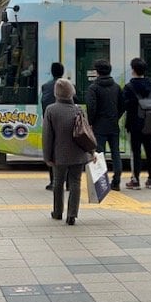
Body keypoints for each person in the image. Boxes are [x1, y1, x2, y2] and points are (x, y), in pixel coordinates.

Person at [42, 78, 93, 225]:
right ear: (72, 92)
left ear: (56, 93)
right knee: (75, 182)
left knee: (58, 182)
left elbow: (47, 136)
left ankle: (57, 212)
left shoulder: (51, 110)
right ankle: (72, 215)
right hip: (78, 154)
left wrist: (47, 156)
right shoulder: (79, 110)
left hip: (59, 155)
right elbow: (87, 132)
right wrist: (91, 152)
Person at [86, 59, 124, 191]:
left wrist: (91, 122)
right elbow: (122, 105)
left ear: (97, 72)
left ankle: (102, 184)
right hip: (113, 125)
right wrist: (116, 117)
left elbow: (91, 107)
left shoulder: (93, 88)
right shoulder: (116, 87)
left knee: (99, 155)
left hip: (99, 126)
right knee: (116, 153)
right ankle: (117, 181)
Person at [123, 57, 151, 190]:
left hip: (135, 123)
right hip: (150, 121)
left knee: (136, 152)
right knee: (150, 151)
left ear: (133, 70)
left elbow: (125, 104)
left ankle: (135, 179)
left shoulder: (129, 87)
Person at [41, 62, 72, 190]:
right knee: (69, 152)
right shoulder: (69, 86)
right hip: (67, 123)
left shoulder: (46, 86)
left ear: (52, 72)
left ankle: (53, 181)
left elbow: (43, 103)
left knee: (53, 151)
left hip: (52, 122)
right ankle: (69, 183)